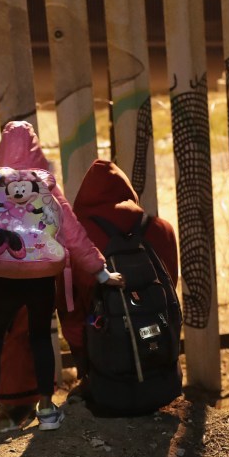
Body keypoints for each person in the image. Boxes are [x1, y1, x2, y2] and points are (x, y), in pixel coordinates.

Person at [0, 127, 125, 443]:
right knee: (40, 339)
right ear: (37, 150)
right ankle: (47, 411)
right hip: (43, 278)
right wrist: (101, 272)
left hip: (2, 278)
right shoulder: (45, 186)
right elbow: (73, 233)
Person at [58, 159, 179, 400]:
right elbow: (169, 292)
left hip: (105, 383)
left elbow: (70, 310)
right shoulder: (161, 229)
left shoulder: (74, 240)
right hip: (163, 376)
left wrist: (83, 363)